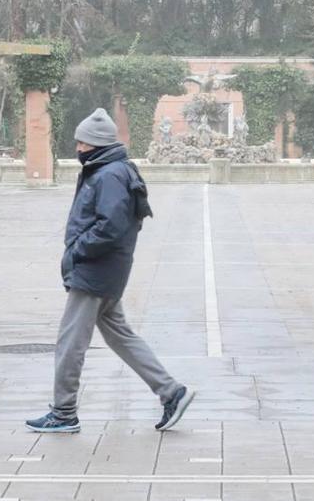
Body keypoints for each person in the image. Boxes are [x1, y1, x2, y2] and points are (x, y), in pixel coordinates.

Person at [27, 108, 195, 434]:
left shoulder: (109, 175)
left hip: (94, 271)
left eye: (82, 143)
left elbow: (110, 226)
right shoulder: (111, 171)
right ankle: (171, 391)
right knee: (121, 335)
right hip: (106, 270)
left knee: (70, 343)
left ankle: (63, 413)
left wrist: (78, 250)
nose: (78, 148)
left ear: (96, 144)